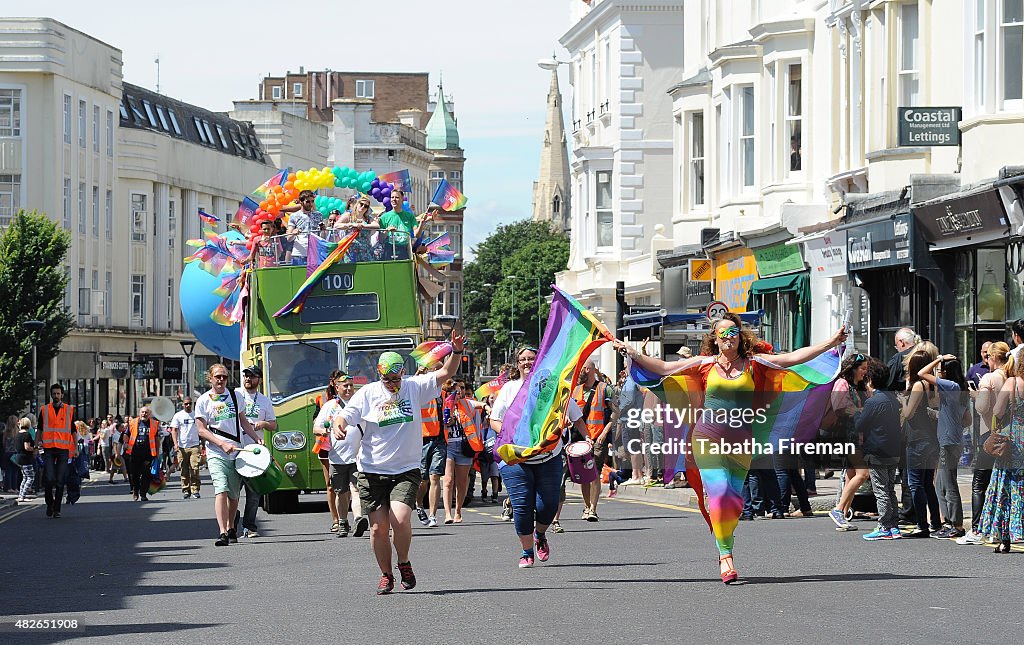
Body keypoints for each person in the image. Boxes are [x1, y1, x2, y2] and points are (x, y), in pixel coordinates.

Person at [617, 313, 846, 584]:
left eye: (733, 332)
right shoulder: (704, 364)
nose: (729, 337)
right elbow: (665, 368)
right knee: (720, 492)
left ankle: (725, 536)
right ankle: (726, 556)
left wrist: (830, 342)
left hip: (741, 441)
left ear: (740, 337)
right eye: (723, 333)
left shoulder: (754, 363)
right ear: (715, 338)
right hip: (707, 437)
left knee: (734, 503)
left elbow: (793, 358)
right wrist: (633, 352)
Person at [333, 336, 465, 594]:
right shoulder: (369, 393)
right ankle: (386, 574)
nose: (393, 385)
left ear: (403, 373)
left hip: (405, 469)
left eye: (397, 379)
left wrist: (457, 351)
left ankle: (403, 563)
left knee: (401, 518)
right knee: (377, 528)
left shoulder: (415, 387)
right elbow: (345, 415)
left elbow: (447, 371)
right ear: (379, 375)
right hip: (372, 470)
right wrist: (339, 426)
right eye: (388, 380)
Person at [490, 346, 588, 568]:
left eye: (531, 359)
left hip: (548, 457)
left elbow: (576, 417)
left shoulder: (554, 387)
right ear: (517, 364)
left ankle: (540, 535)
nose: (526, 362)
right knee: (522, 507)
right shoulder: (509, 389)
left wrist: (588, 439)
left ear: (539, 362)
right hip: (516, 459)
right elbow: (495, 420)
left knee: (548, 506)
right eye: (522, 359)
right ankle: (526, 552)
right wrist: (511, 435)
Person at [194, 363, 262, 546]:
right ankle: (222, 531)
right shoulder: (203, 401)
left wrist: (256, 438)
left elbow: (244, 422)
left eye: (224, 376)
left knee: (234, 496)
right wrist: (220, 443)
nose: (221, 380)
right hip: (216, 452)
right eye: (217, 376)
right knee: (221, 489)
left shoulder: (235, 396)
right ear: (210, 378)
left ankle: (231, 526)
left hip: (236, 451)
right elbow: (201, 430)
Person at [959, 341, 1010, 545]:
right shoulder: (1011, 378)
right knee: (1001, 483)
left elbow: (982, 407)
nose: (985, 360)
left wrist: (976, 394)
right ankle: (999, 529)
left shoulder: (990, 378)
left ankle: (978, 529)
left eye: (988, 356)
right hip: (1009, 436)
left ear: (994, 358)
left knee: (980, 482)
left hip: (990, 435)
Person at [917, 353, 971, 538]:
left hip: (949, 442)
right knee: (940, 484)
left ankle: (956, 525)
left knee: (949, 484)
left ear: (947, 372)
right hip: (951, 440)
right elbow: (967, 420)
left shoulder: (951, 385)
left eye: (940, 370)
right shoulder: (960, 388)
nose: (938, 373)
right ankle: (948, 523)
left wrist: (938, 358)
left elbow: (921, 373)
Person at [975, 353, 1024, 553]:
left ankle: (1005, 539)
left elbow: (997, 411)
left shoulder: (1012, 383)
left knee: (1004, 487)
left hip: (1012, 441)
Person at [856, 361, 905, 540]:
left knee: (881, 490)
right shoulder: (892, 398)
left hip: (877, 450)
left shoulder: (873, 401)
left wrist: (855, 414)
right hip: (893, 449)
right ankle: (894, 526)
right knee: (890, 488)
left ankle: (884, 526)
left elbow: (861, 425)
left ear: (870, 380)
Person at [313, 372, 364, 538]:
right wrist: (326, 430)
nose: (349, 389)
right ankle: (342, 522)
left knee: (356, 489)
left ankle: (358, 519)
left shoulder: (359, 405)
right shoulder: (330, 406)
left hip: (358, 457)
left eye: (351, 386)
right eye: (345, 386)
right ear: (337, 387)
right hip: (337, 458)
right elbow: (316, 428)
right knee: (341, 493)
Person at [901, 349, 943, 537]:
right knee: (927, 483)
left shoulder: (918, 385)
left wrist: (902, 401)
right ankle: (935, 522)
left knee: (915, 483)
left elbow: (909, 413)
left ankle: (922, 524)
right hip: (930, 438)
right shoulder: (931, 385)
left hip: (917, 439)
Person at [827, 354, 870, 530]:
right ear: (853, 368)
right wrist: (861, 410)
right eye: (863, 368)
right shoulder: (842, 384)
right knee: (863, 474)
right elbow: (839, 407)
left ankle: (843, 515)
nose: (865, 372)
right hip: (846, 436)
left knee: (852, 475)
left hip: (856, 435)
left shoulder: (857, 386)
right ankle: (838, 509)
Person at [572, 359, 618, 521]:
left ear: (590, 370)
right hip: (579, 440)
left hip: (598, 437)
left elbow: (616, 413)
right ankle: (586, 506)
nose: (580, 373)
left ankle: (593, 508)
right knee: (584, 475)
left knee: (594, 473)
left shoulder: (604, 389)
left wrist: (605, 433)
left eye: (583, 369)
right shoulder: (575, 390)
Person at [235, 365, 277, 538]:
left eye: (252, 376)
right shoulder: (236, 394)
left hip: (255, 451)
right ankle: (231, 520)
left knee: (254, 493)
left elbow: (274, 425)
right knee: (233, 490)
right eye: (245, 376)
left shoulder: (265, 400)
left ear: (259, 379)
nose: (247, 379)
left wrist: (263, 424)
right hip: (236, 448)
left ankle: (250, 526)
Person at [441, 379, 485, 524]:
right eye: (454, 390)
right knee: (447, 480)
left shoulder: (467, 403)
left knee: (462, 481)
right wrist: (448, 421)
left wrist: (487, 407)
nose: (457, 392)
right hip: (449, 447)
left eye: (460, 389)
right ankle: (447, 514)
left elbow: (481, 404)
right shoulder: (444, 405)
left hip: (465, 448)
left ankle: (458, 511)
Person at [315, 371, 347, 534]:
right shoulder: (324, 398)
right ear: (334, 383)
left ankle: (349, 518)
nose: (344, 385)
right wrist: (326, 428)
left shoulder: (352, 398)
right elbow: (316, 421)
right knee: (331, 485)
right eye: (338, 381)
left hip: (347, 446)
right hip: (326, 445)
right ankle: (336, 520)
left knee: (352, 485)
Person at [39, 383, 77, 518]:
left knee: (60, 480)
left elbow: (73, 430)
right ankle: (49, 503)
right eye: (54, 393)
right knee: (49, 479)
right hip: (48, 448)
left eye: (58, 393)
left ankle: (57, 509)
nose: (56, 396)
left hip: (63, 449)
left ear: (62, 395)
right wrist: (38, 444)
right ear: (51, 395)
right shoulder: (44, 410)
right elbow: (40, 429)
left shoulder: (68, 410)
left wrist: (76, 448)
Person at [417, 376, 446, 528]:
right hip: (422, 440)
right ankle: (419, 504)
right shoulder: (420, 393)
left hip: (440, 440)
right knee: (423, 480)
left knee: (435, 476)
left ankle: (433, 515)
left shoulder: (444, 394)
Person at [124, 407, 159, 501]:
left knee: (146, 474)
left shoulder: (154, 424)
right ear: (139, 413)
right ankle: (136, 490)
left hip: (148, 453)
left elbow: (156, 439)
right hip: (134, 453)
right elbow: (126, 435)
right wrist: (126, 444)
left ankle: (143, 494)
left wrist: (157, 453)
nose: (144, 414)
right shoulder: (133, 422)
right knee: (134, 475)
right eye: (142, 412)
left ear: (149, 414)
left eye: (146, 412)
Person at [170, 397, 201, 499]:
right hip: (182, 446)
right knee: (184, 469)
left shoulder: (196, 415)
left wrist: (204, 442)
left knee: (195, 468)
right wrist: (175, 444)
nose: (188, 405)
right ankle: (186, 489)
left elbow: (202, 428)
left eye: (190, 404)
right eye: (186, 404)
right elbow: (174, 430)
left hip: (195, 445)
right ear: (182, 404)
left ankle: (195, 489)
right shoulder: (178, 416)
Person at [286, 190, 323, 266]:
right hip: (299, 254)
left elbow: (323, 236)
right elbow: (289, 238)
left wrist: (323, 230)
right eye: (308, 202)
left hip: (315, 252)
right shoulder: (294, 216)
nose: (311, 204)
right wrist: (293, 233)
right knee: (299, 277)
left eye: (312, 201)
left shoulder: (318, 215)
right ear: (301, 202)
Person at [15, 418, 36, 503]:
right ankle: (23, 495)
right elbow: (27, 447)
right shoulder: (26, 435)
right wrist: (34, 448)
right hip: (26, 458)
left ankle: (21, 495)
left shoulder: (17, 434)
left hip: (19, 458)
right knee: (31, 477)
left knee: (25, 477)